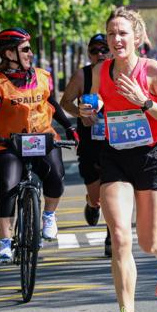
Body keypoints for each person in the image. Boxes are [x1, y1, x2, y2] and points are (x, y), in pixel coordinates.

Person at [79, 8, 157, 312]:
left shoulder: (152, 71)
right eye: (111, 34)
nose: (116, 39)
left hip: (150, 157)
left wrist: (145, 102)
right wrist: (87, 111)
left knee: (149, 244)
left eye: (123, 33)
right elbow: (93, 110)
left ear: (136, 37)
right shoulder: (101, 70)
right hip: (115, 156)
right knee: (121, 238)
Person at [0, 27, 78, 264]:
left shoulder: (42, 76)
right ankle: (4, 242)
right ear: (10, 54)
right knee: (8, 186)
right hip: (7, 143)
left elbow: (52, 104)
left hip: (40, 137)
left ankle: (49, 215)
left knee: (56, 177)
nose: (31, 54)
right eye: (25, 49)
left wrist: (70, 128)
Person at [60, 33, 112, 257]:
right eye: (94, 51)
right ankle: (92, 205)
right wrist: (79, 113)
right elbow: (65, 102)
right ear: (89, 54)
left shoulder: (120, 73)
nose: (99, 54)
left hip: (116, 140)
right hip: (90, 140)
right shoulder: (83, 75)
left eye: (104, 50)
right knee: (97, 194)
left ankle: (112, 236)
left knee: (114, 189)